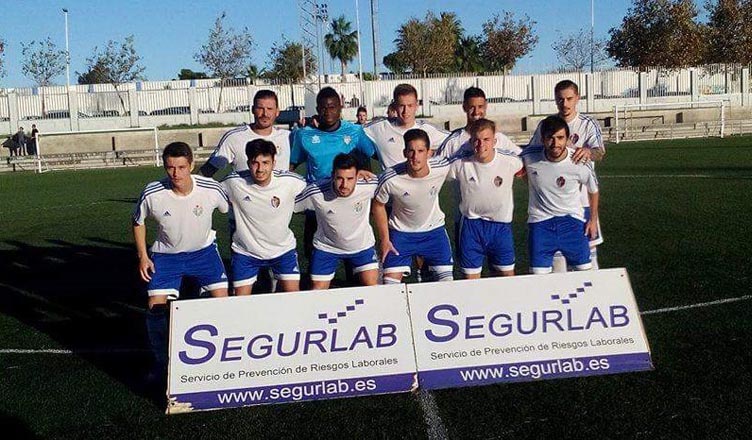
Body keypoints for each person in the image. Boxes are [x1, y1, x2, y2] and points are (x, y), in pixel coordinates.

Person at [132, 142, 229, 379]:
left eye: (182, 167)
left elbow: (228, 209)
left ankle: (219, 357)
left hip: (204, 253)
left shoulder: (210, 188)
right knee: (155, 307)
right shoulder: (153, 192)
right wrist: (143, 256)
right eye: (170, 167)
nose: (176, 173)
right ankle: (161, 362)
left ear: (191, 165)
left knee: (222, 303)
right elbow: (137, 222)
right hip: (167, 256)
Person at [289, 86, 376, 264]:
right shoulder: (304, 135)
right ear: (317, 109)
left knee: (353, 259)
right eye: (323, 107)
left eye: (332, 107)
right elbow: (291, 165)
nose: (328, 112)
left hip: (348, 202)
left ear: (340, 107)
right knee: (314, 256)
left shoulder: (354, 131)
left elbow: (372, 154)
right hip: (317, 204)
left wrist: (360, 171)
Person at [529, 79, 605, 271]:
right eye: (560, 99)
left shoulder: (587, 124)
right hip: (553, 205)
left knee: (588, 260)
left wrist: (588, 151)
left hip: (583, 202)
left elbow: (600, 152)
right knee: (558, 264)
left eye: (569, 99)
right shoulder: (547, 125)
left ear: (577, 98)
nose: (565, 104)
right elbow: (531, 151)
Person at [221, 139, 307, 295]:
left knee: (294, 296)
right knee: (240, 301)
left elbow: (319, 190)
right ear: (248, 163)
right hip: (246, 253)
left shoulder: (291, 181)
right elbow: (208, 191)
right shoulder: (234, 182)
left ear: (274, 163)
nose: (260, 169)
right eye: (255, 163)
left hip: (283, 250)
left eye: (265, 163)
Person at [520, 115, 600, 274]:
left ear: (568, 139)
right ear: (542, 139)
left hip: (573, 223)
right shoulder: (529, 156)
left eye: (560, 138)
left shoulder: (579, 161)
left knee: (585, 274)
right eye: (550, 138)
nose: (555, 143)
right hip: (540, 224)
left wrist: (592, 220)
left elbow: (593, 190)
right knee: (538, 277)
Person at [373, 129, 454, 284]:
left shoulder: (442, 167)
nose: (415, 157)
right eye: (411, 151)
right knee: (389, 286)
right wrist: (384, 239)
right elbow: (378, 205)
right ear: (404, 153)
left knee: (447, 284)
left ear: (429, 153)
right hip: (400, 234)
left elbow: (466, 158)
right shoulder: (391, 178)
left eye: (420, 151)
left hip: (434, 233)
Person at [448, 119, 523, 278]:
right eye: (477, 140)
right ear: (471, 142)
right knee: (471, 281)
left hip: (501, 227)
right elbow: (435, 171)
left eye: (486, 139)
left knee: (507, 277)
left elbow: (531, 161)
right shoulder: (460, 163)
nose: (481, 144)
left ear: (494, 141)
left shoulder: (511, 161)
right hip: (471, 227)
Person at [295, 153, 380, 289]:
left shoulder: (369, 185)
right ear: (332, 176)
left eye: (350, 178)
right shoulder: (316, 192)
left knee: (372, 286)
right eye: (339, 178)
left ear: (357, 176)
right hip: (327, 248)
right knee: (317, 291)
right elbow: (287, 206)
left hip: (362, 246)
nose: (344, 185)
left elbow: (391, 183)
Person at [200, 89, 291, 176]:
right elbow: (207, 171)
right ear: (253, 110)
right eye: (260, 108)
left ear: (277, 112)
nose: (265, 114)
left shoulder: (288, 137)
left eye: (270, 109)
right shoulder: (234, 137)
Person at [365, 83, 450, 170]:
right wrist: (359, 169)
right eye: (401, 106)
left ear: (416, 106)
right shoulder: (379, 127)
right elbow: (356, 133)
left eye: (410, 106)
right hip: (390, 178)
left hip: (420, 178)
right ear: (395, 106)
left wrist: (435, 155)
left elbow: (456, 141)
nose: (406, 111)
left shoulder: (428, 129)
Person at [436, 87, 520, 159]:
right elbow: (438, 167)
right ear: (464, 107)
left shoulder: (499, 138)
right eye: (472, 107)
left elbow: (521, 158)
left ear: (486, 106)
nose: (476, 112)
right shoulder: (453, 142)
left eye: (480, 107)